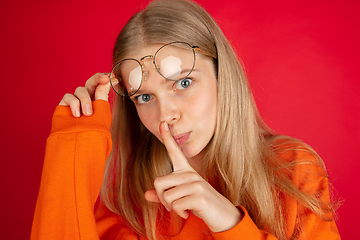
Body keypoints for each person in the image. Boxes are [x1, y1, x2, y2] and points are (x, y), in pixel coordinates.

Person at [31, 0, 340, 239]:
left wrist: (227, 221)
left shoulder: (291, 169)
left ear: (223, 75)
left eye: (183, 83)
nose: (166, 116)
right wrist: (71, 149)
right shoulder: (132, 205)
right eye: (144, 97)